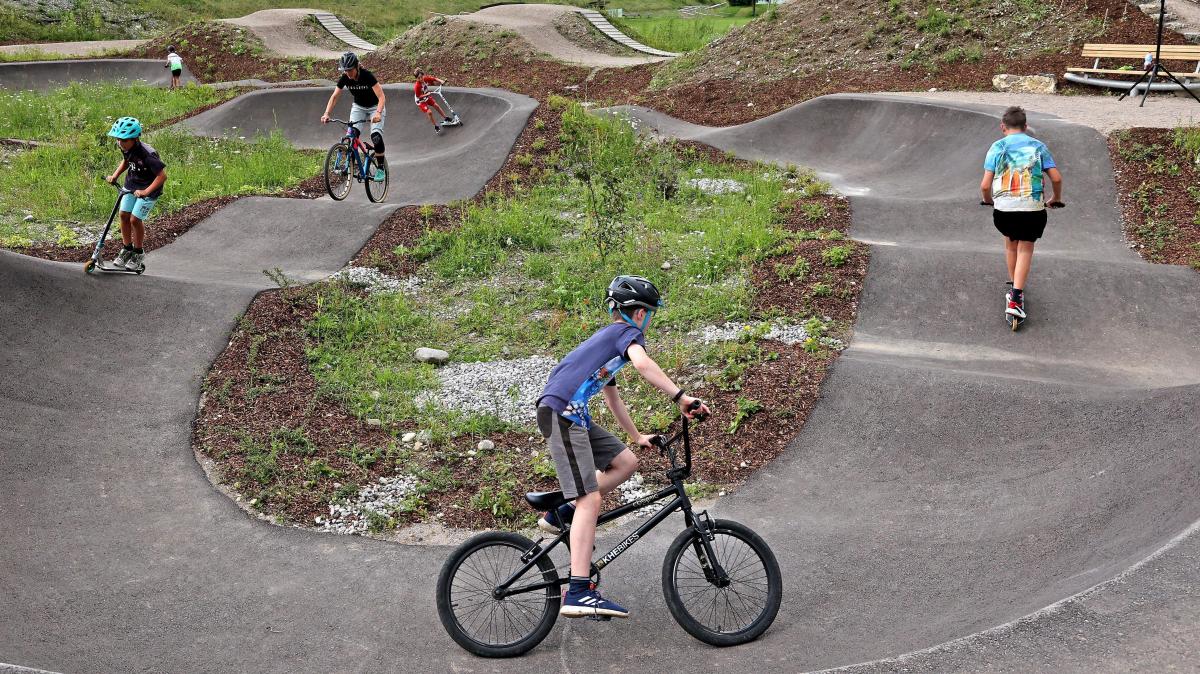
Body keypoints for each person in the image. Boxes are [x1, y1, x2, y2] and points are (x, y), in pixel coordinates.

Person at [535, 275, 710, 619]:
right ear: (640, 313)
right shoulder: (626, 335)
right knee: (591, 498)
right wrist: (681, 397)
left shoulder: (607, 343)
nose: (648, 321)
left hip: (571, 413)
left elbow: (612, 397)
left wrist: (636, 437)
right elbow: (644, 364)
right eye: (649, 313)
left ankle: (563, 513)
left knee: (626, 462)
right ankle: (580, 591)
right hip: (561, 412)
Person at [980, 106, 1064, 322]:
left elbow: (985, 185)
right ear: (1026, 127)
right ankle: (1016, 294)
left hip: (1004, 209)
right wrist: (1055, 198)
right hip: (1032, 209)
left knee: (1010, 243)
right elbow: (1056, 178)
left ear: (1003, 127)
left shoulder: (997, 147)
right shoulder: (1038, 146)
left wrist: (989, 200)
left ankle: (1014, 287)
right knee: (1025, 248)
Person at [104, 117, 166, 273]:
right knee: (124, 215)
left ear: (135, 138)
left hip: (148, 189)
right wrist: (115, 175)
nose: (120, 143)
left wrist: (146, 192)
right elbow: (126, 162)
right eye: (118, 139)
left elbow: (162, 176)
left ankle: (138, 253)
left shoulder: (148, 154)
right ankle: (127, 249)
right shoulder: (126, 148)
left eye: (123, 140)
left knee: (135, 219)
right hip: (131, 185)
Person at [320, 52, 387, 182]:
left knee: (376, 137)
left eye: (350, 70)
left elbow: (381, 96)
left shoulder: (367, 76)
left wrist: (378, 113)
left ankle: (380, 168)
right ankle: (349, 165)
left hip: (375, 107)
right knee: (352, 135)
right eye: (345, 70)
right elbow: (334, 97)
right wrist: (326, 113)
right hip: (359, 107)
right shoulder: (345, 77)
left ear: (357, 66)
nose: (348, 73)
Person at [413, 67, 453, 135]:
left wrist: (441, 81)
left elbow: (433, 78)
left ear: (423, 75)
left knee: (436, 105)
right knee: (429, 112)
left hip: (427, 96)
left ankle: (446, 118)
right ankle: (435, 126)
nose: (420, 79)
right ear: (416, 78)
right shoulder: (417, 86)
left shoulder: (425, 79)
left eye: (421, 77)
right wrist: (426, 94)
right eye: (418, 78)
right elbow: (418, 96)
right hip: (420, 101)